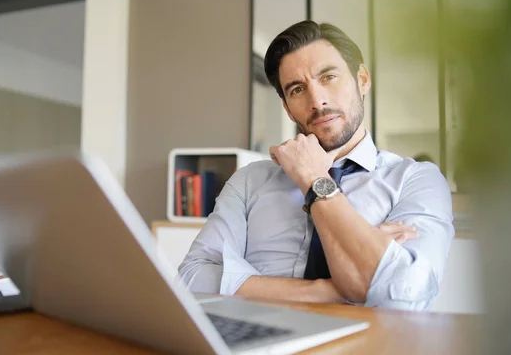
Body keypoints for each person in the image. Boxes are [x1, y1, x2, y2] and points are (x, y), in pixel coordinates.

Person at [178, 21, 454, 310]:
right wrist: (338, 288)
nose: (317, 101)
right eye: (297, 89)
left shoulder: (416, 180)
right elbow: (191, 278)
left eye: (329, 77)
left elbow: (403, 295)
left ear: (362, 79)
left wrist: (312, 179)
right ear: (287, 107)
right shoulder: (249, 181)